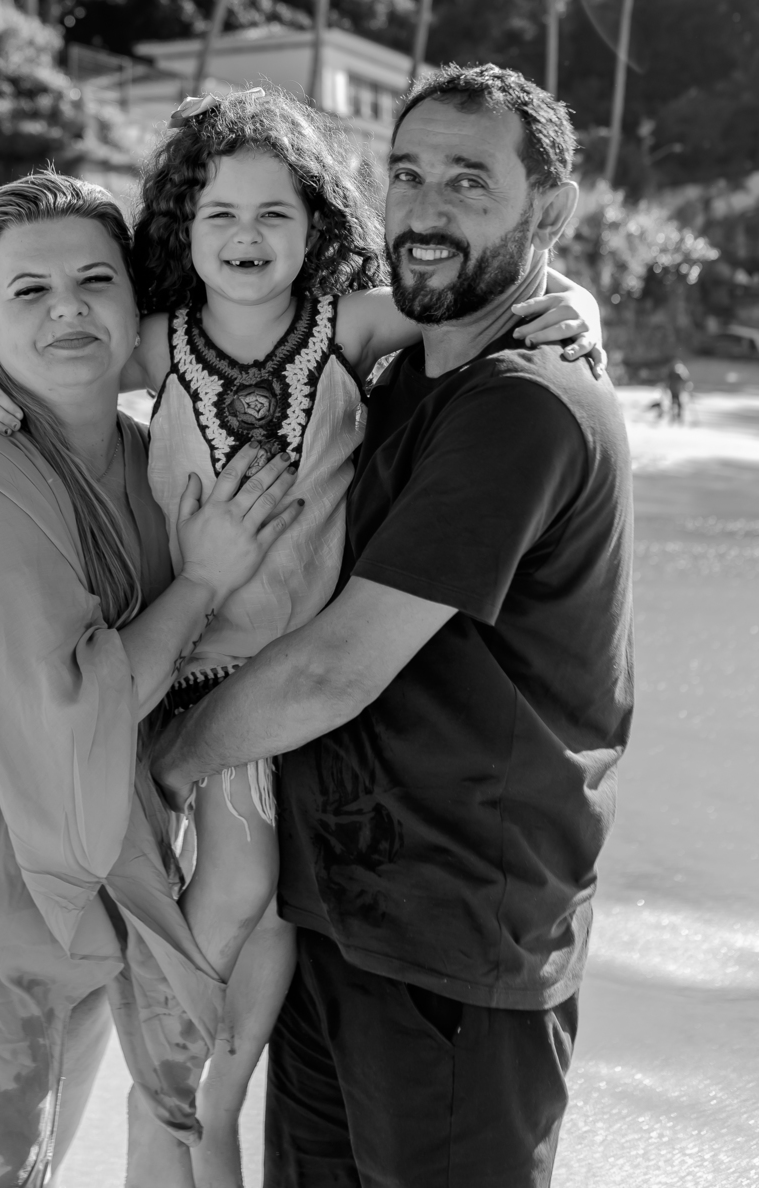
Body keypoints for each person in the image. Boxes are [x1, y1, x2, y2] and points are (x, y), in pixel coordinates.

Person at [0, 88, 604, 1188]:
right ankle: (168, 1020)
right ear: (182, 233)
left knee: (262, 943)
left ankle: (188, 1062)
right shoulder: (164, 345)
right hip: (211, 675)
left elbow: (480, 301)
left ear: (316, 230)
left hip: (311, 711)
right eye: (219, 218)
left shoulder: (358, 334)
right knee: (236, 920)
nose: (246, 240)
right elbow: (52, 349)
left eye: (274, 216)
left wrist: (571, 299)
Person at [154, 64, 635, 1188]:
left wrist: (166, 760)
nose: (424, 206)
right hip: (340, 918)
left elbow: (333, 668)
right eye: (407, 173)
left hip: (455, 948)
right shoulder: (414, 371)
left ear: (548, 210)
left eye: (470, 180)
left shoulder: (525, 404)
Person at [0, 171, 304, 1188]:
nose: (69, 306)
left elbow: (331, 329)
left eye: (95, 279)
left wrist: (565, 307)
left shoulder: (152, 458)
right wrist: (205, 577)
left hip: (71, 922)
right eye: (28, 292)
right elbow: (83, 708)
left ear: (140, 310)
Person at [665, 355, 690, 424]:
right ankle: (675, 416)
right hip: (674, 389)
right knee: (675, 403)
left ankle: (677, 416)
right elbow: (684, 379)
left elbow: (684, 379)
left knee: (676, 403)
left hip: (676, 389)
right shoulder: (673, 373)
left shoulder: (675, 373)